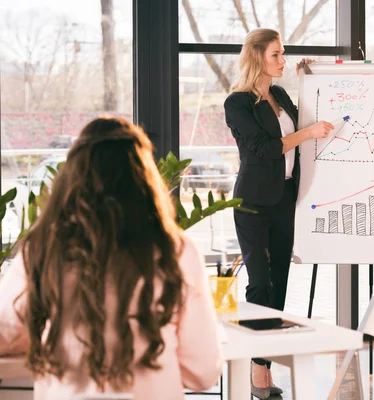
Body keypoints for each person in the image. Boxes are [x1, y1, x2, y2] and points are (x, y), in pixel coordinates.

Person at [0, 117, 223, 399]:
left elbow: (4, 333)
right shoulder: (176, 251)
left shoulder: (44, 247)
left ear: (72, 178)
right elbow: (202, 372)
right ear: (144, 178)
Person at [224, 28, 333, 399]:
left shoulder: (282, 95)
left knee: (281, 282)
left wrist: (312, 80)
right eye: (276, 55)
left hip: (284, 199)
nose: (282, 61)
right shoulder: (237, 104)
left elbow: (309, 123)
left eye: (283, 54)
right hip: (253, 204)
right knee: (260, 284)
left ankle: (263, 368)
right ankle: (256, 371)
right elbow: (263, 148)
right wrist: (308, 134)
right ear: (257, 57)